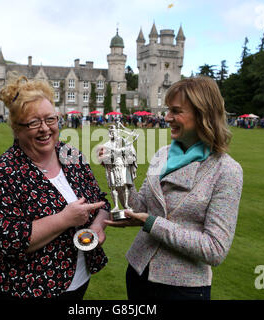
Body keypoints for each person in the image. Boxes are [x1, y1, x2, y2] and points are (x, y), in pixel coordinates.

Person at [103, 76, 243, 300]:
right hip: (138, 272)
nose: (167, 117)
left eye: (176, 111)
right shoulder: (163, 154)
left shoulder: (226, 170)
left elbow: (215, 249)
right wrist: (117, 167)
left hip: (182, 288)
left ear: (202, 114)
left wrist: (151, 223)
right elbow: (139, 206)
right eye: (168, 110)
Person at [0, 76, 111, 300]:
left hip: (77, 281)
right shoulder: (0, 174)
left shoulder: (72, 156)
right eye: (33, 123)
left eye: (50, 119)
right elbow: (8, 241)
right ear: (16, 128)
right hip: (24, 289)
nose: (45, 129)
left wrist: (98, 225)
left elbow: (100, 201)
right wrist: (65, 219)